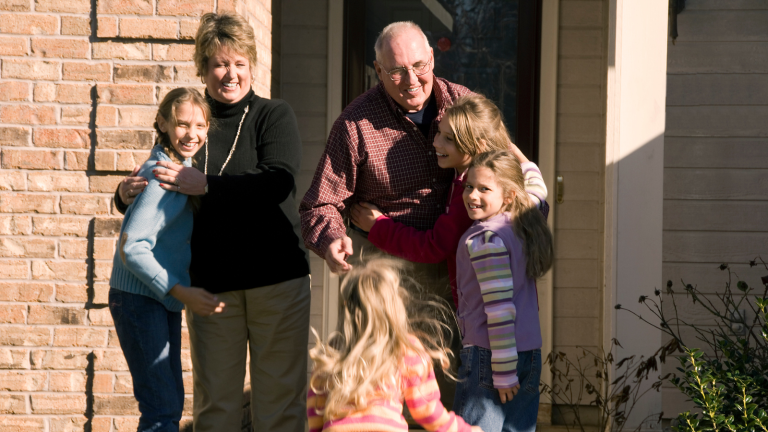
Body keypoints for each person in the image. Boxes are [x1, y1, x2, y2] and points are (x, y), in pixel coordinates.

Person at [113, 12, 311, 432]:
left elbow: (276, 183)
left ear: (252, 67)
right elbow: (155, 175)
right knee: (215, 408)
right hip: (210, 285)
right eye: (220, 63)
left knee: (278, 407)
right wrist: (123, 193)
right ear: (202, 68)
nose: (230, 73)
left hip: (275, 279)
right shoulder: (191, 122)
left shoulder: (272, 115)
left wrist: (205, 185)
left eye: (240, 63)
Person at [300, 21, 473, 286]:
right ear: (378, 70)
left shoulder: (463, 104)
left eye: (419, 66)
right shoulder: (355, 124)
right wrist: (332, 240)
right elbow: (321, 205)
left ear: (432, 58)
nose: (412, 80)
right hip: (383, 274)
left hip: (459, 271)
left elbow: (505, 167)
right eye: (397, 71)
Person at [349, 94, 548, 307]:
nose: (435, 142)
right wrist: (520, 158)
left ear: (478, 146)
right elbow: (538, 191)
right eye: (438, 133)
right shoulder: (506, 184)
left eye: (448, 138)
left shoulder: (472, 196)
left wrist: (377, 226)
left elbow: (434, 246)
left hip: (487, 319)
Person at [108, 87, 226, 432]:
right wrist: (179, 290)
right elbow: (132, 247)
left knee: (168, 402)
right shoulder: (162, 176)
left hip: (157, 301)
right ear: (162, 122)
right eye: (182, 124)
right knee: (162, 408)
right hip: (140, 300)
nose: (193, 134)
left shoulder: (178, 168)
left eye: (201, 126)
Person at [307, 258, 482, 432]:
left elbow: (316, 412)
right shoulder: (405, 349)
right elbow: (428, 412)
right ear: (395, 307)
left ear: (347, 308)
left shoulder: (333, 351)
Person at [454, 150, 554, 432]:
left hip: (493, 357)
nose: (472, 195)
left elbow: (499, 310)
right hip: (529, 353)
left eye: (484, 189)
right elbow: (537, 186)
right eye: (468, 187)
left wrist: (504, 372)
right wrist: (512, 149)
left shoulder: (487, 240)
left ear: (508, 195)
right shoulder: (522, 217)